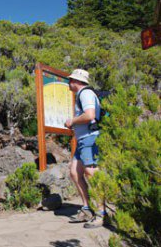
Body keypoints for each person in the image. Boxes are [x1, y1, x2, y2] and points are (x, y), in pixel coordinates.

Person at [64, 69, 107, 229]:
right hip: (83, 141)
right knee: (75, 172)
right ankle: (86, 209)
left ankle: (101, 214)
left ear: (76, 81)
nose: (69, 83)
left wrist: (72, 121)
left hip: (90, 139)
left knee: (91, 174)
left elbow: (89, 115)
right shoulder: (81, 95)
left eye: (70, 80)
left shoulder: (85, 94)